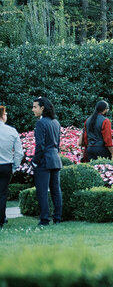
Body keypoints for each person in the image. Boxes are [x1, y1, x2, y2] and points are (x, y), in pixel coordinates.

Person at [31, 97, 62, 226]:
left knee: (42, 191)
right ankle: (57, 218)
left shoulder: (40, 123)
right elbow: (58, 143)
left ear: (42, 108)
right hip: (55, 159)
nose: (33, 109)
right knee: (56, 190)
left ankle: (44, 219)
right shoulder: (56, 122)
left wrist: (35, 161)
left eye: (35, 107)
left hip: (44, 161)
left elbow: (40, 146)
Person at [0, 106, 23, 228]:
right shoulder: (11, 131)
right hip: (5, 166)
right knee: (2, 194)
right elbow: (19, 153)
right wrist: (14, 167)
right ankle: (1, 219)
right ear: (3, 115)